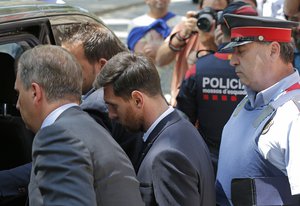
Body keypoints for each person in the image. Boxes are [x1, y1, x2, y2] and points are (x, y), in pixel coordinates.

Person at [0, 22, 143, 203]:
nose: (18, 104)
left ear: (35, 93)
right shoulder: (85, 126)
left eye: (19, 93)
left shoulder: (58, 137)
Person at [94, 51, 216, 206]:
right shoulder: (182, 128)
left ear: (138, 100)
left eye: (113, 106)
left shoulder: (167, 155)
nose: (111, 115)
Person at [215, 14, 300, 205]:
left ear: (273, 51)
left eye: (241, 51)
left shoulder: (294, 115)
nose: (232, 61)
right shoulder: (251, 98)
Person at [176, 1, 257, 174]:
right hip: (251, 165)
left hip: (207, 164)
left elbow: (182, 121)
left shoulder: (198, 69)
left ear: (220, 29)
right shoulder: (263, 71)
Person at [155, 0, 229, 106]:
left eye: (217, 12)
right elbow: (160, 60)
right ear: (199, 9)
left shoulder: (226, 33)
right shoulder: (187, 27)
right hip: (182, 102)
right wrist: (181, 35)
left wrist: (210, 41)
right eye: (208, 11)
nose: (212, 17)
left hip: (214, 105)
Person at [127, 0, 182, 102]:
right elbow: (139, 56)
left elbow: (184, 54)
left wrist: (159, 48)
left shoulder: (180, 23)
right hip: (145, 85)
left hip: (173, 84)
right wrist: (167, 48)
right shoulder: (136, 24)